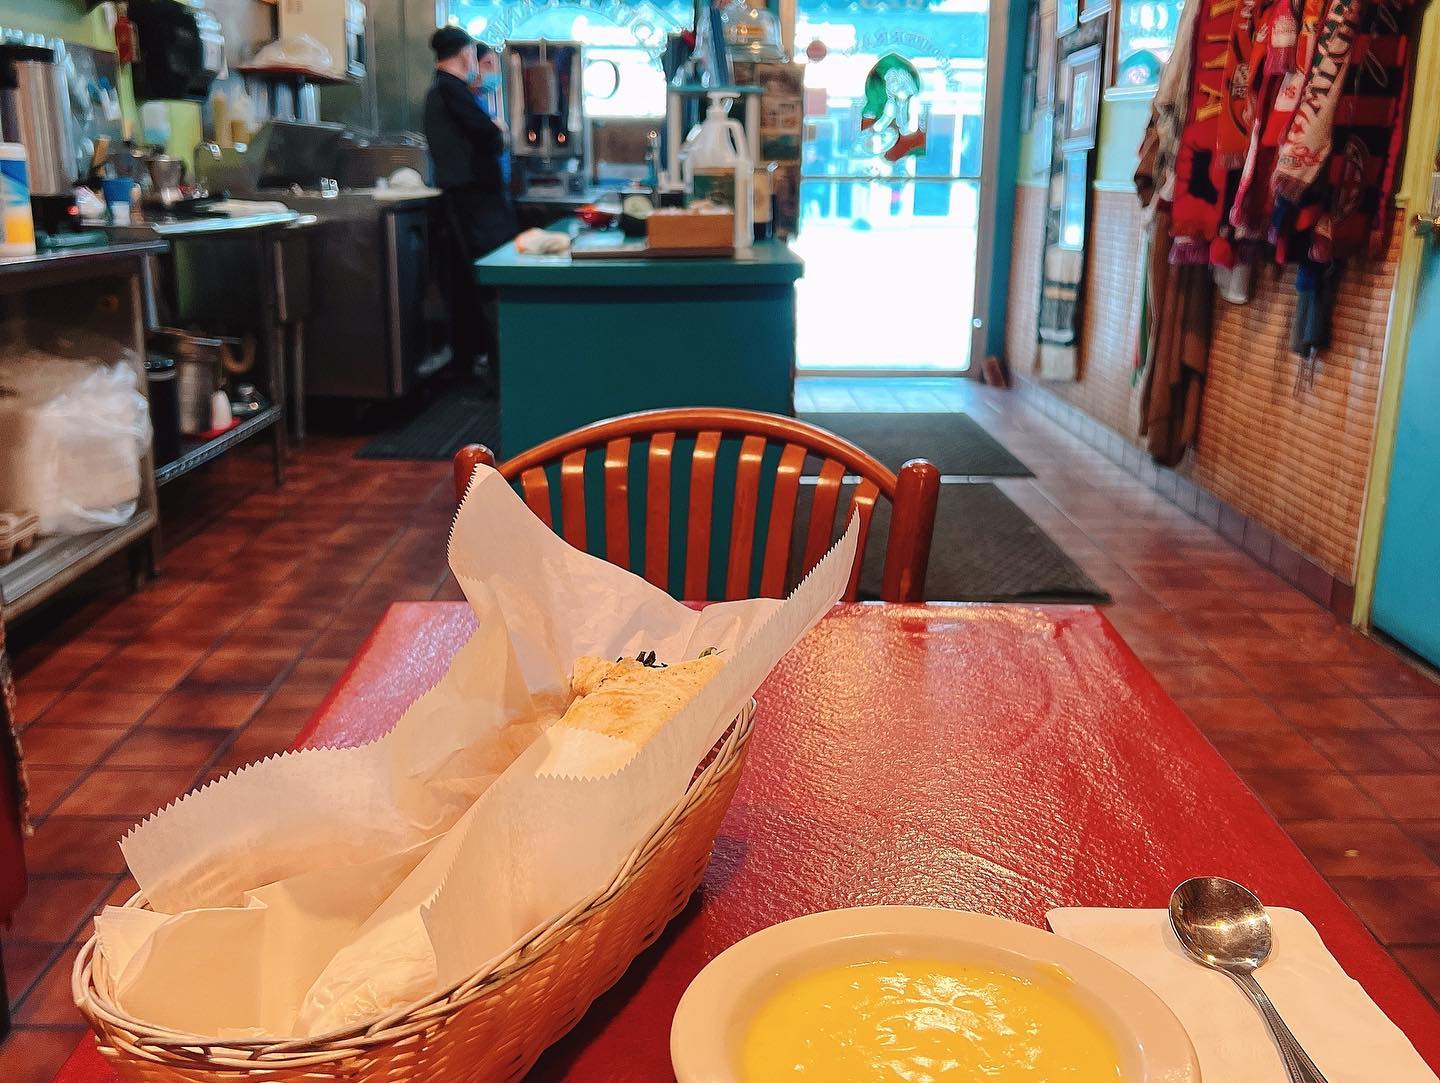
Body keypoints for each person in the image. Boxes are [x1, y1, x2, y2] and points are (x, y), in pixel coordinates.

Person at [424, 26, 517, 389]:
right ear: (466, 55)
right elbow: (488, 136)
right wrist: (498, 130)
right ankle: (502, 376)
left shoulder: (443, 91)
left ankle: (487, 368)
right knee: (495, 282)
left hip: (470, 204)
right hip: (476, 205)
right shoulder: (451, 90)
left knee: (477, 286)